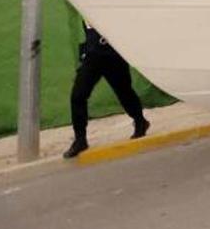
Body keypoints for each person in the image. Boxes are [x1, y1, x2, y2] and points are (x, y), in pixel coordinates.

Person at [63, 24, 150, 158]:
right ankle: (80, 139)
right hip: (92, 56)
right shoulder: (84, 7)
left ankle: (140, 121)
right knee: (78, 96)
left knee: (124, 91)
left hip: (113, 54)